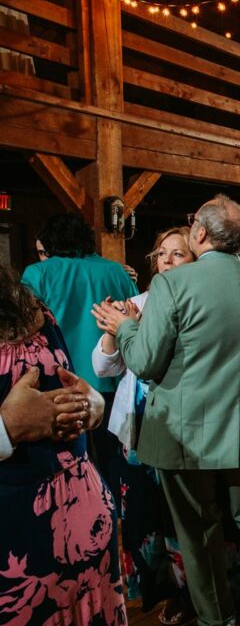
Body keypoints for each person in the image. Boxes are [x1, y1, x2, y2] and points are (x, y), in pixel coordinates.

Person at [92, 195, 240, 626]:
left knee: (198, 529)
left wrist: (125, 326)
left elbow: (146, 363)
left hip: (184, 436)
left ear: (201, 235)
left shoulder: (174, 286)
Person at [0, 262, 134, 626]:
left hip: (85, 534)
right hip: (18, 550)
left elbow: (65, 379)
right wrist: (7, 428)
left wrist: (90, 406)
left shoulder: (31, 304)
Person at [92, 226, 199, 623]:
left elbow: (160, 362)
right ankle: (160, 588)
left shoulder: (196, 304)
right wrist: (111, 333)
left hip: (178, 425)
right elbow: (104, 366)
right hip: (134, 427)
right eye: (162, 253)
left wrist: (130, 329)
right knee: (141, 513)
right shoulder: (136, 300)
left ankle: (192, 593)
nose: (167, 261)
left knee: (179, 516)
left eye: (179, 254)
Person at [22, 213, 139, 508]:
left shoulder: (38, 274)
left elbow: (25, 328)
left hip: (62, 382)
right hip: (111, 379)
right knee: (114, 459)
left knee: (73, 464)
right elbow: (136, 318)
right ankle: (118, 515)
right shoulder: (116, 272)